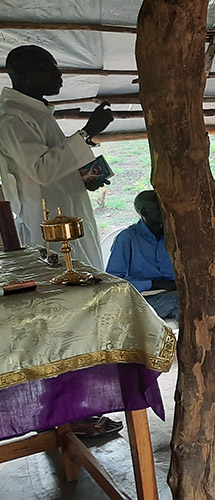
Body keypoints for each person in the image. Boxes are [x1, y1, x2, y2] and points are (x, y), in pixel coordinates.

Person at [0, 45, 114, 268]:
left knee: (85, 272)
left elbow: (51, 161)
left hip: (65, 209)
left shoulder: (34, 112)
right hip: (48, 221)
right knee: (67, 281)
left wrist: (80, 177)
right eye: (48, 68)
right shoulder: (12, 118)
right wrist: (87, 131)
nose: (59, 74)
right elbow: (41, 170)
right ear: (22, 74)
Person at [106, 191, 178, 319]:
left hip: (174, 291)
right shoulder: (127, 238)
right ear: (144, 213)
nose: (165, 210)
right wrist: (154, 283)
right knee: (181, 302)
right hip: (142, 298)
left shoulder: (173, 234)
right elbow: (114, 281)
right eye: (158, 208)